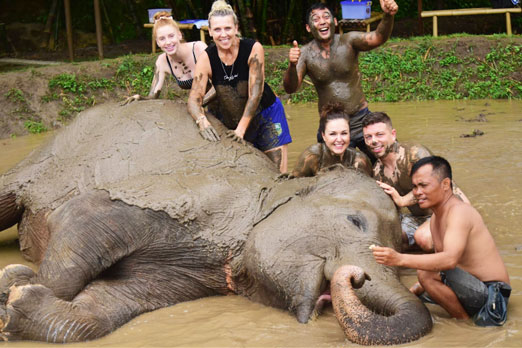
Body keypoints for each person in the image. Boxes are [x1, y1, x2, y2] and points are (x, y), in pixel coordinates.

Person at [372, 156, 511, 326]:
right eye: (414, 187)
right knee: (419, 292)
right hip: (470, 286)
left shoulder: (459, 212)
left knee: (425, 274)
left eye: (423, 185)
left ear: (445, 184)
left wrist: (399, 258)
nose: (417, 192)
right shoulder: (437, 217)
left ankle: (463, 324)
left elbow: (448, 260)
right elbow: (439, 264)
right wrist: (412, 291)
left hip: (492, 296)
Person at [283, 0, 398, 160]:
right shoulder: (305, 54)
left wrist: (388, 16)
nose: (322, 21)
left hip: (360, 118)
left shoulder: (349, 41)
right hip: (332, 124)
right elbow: (291, 88)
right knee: (337, 173)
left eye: (326, 17)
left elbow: (378, 37)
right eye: (316, 19)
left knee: (389, 158)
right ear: (309, 28)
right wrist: (292, 65)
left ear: (335, 22)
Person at [188, 0, 292, 173]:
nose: (223, 35)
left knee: (277, 174)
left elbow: (255, 93)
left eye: (228, 28)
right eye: (218, 30)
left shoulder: (252, 48)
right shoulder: (206, 58)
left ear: (236, 28)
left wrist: (240, 130)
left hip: (266, 112)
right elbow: (193, 98)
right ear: (210, 32)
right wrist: (202, 121)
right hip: (231, 114)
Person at [362, 112, 469, 251]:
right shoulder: (377, 172)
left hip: (451, 211)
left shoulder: (414, 154)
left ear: (393, 134)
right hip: (421, 217)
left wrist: (402, 201)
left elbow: (431, 187)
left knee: (423, 237)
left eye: (379, 134)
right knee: (393, 238)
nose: (374, 141)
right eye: (368, 137)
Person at [122, 11, 214, 105]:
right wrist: (139, 98)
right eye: (162, 39)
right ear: (157, 42)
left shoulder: (199, 49)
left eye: (171, 36)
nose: (168, 42)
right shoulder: (162, 62)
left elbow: (220, 83)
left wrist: (196, 104)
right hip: (203, 105)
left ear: (179, 35)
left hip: (222, 97)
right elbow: (153, 96)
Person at [291, 103, 371, 177]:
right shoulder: (311, 157)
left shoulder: (359, 160)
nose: (339, 139)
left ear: (350, 134)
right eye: (333, 134)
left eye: (344, 133)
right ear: (323, 136)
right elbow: (293, 185)